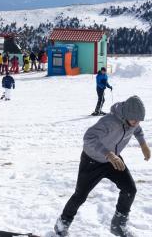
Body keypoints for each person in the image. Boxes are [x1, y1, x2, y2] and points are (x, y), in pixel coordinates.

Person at [54, 96, 149, 237]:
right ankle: (62, 223)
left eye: (139, 120)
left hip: (114, 160)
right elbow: (88, 138)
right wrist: (108, 154)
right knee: (80, 195)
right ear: (126, 115)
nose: (136, 123)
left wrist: (143, 144)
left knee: (130, 189)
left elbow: (137, 130)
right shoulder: (109, 122)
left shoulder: (132, 122)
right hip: (92, 161)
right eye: (134, 120)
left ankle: (118, 225)